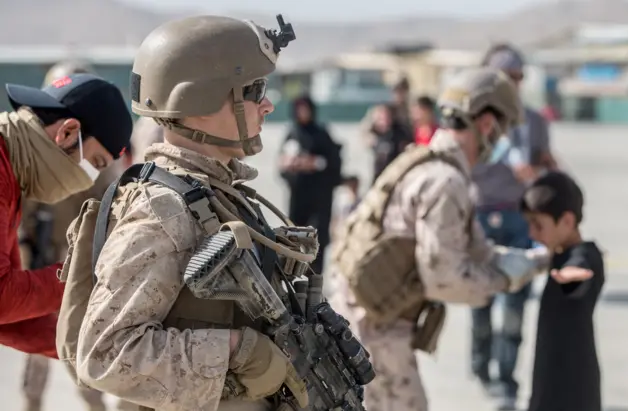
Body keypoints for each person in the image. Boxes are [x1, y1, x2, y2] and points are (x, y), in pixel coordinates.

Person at [71, 14, 328, 411]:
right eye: (253, 90)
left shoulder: (216, 193)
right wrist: (238, 350)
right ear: (200, 101)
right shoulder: (163, 211)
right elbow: (104, 354)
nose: (268, 104)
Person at [330, 67, 557, 411]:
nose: (502, 141)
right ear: (485, 124)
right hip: (375, 332)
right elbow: (445, 279)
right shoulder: (446, 182)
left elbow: (476, 250)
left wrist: (537, 261)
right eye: (504, 129)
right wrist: (502, 279)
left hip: (362, 321)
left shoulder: (425, 164)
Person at [0, 72, 132, 357]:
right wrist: (85, 273)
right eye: (95, 163)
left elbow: (9, 320)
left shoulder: (11, 175)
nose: (90, 178)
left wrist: (100, 353)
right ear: (68, 132)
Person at [17, 61, 120, 411]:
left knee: (80, 350)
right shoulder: (33, 157)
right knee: (42, 354)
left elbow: (111, 204)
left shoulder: (91, 155)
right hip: (45, 264)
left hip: (77, 266)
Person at [469, 43, 559, 410]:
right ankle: (481, 366)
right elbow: (468, 168)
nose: (515, 83)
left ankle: (506, 379)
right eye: (507, 76)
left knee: (516, 304)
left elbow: (545, 164)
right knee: (481, 300)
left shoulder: (535, 122)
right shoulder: (476, 122)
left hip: (520, 219)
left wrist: (542, 171)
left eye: (519, 77)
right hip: (480, 217)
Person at [520, 171, 603, 411]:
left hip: (573, 390)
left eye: (539, 225)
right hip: (549, 382)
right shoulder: (557, 254)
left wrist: (569, 276)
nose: (532, 234)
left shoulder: (585, 255)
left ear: (567, 221)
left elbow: (580, 271)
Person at [278, 95, 343, 273]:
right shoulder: (292, 133)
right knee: (294, 235)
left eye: (305, 108)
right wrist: (291, 165)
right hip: (298, 195)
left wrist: (312, 163)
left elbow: (332, 163)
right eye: (299, 109)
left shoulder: (321, 132)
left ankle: (315, 277)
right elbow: (281, 165)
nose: (302, 113)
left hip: (319, 196)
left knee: (318, 236)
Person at [368, 104, 413, 181]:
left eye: (386, 117)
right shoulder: (374, 134)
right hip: (378, 175)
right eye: (380, 118)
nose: (384, 120)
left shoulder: (399, 133)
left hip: (396, 174)